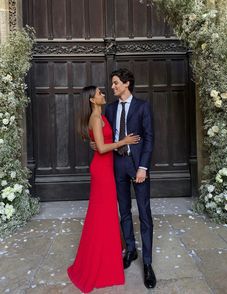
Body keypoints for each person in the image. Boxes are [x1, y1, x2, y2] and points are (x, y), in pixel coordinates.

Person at [67, 86, 140, 293]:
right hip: (102, 171)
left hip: (107, 168)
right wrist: (123, 142)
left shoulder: (101, 116)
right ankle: (99, 262)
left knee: (105, 214)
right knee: (103, 215)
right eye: (99, 93)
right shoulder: (96, 118)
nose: (103, 95)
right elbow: (101, 148)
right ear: (92, 99)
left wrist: (104, 142)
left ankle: (107, 256)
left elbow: (98, 142)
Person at [105, 68, 156, 289]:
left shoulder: (143, 106)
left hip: (138, 166)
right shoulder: (109, 108)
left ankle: (147, 264)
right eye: (113, 83)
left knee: (144, 213)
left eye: (116, 83)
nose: (113, 87)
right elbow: (106, 136)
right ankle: (131, 250)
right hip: (117, 165)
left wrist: (143, 167)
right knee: (123, 211)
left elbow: (149, 138)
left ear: (126, 84)